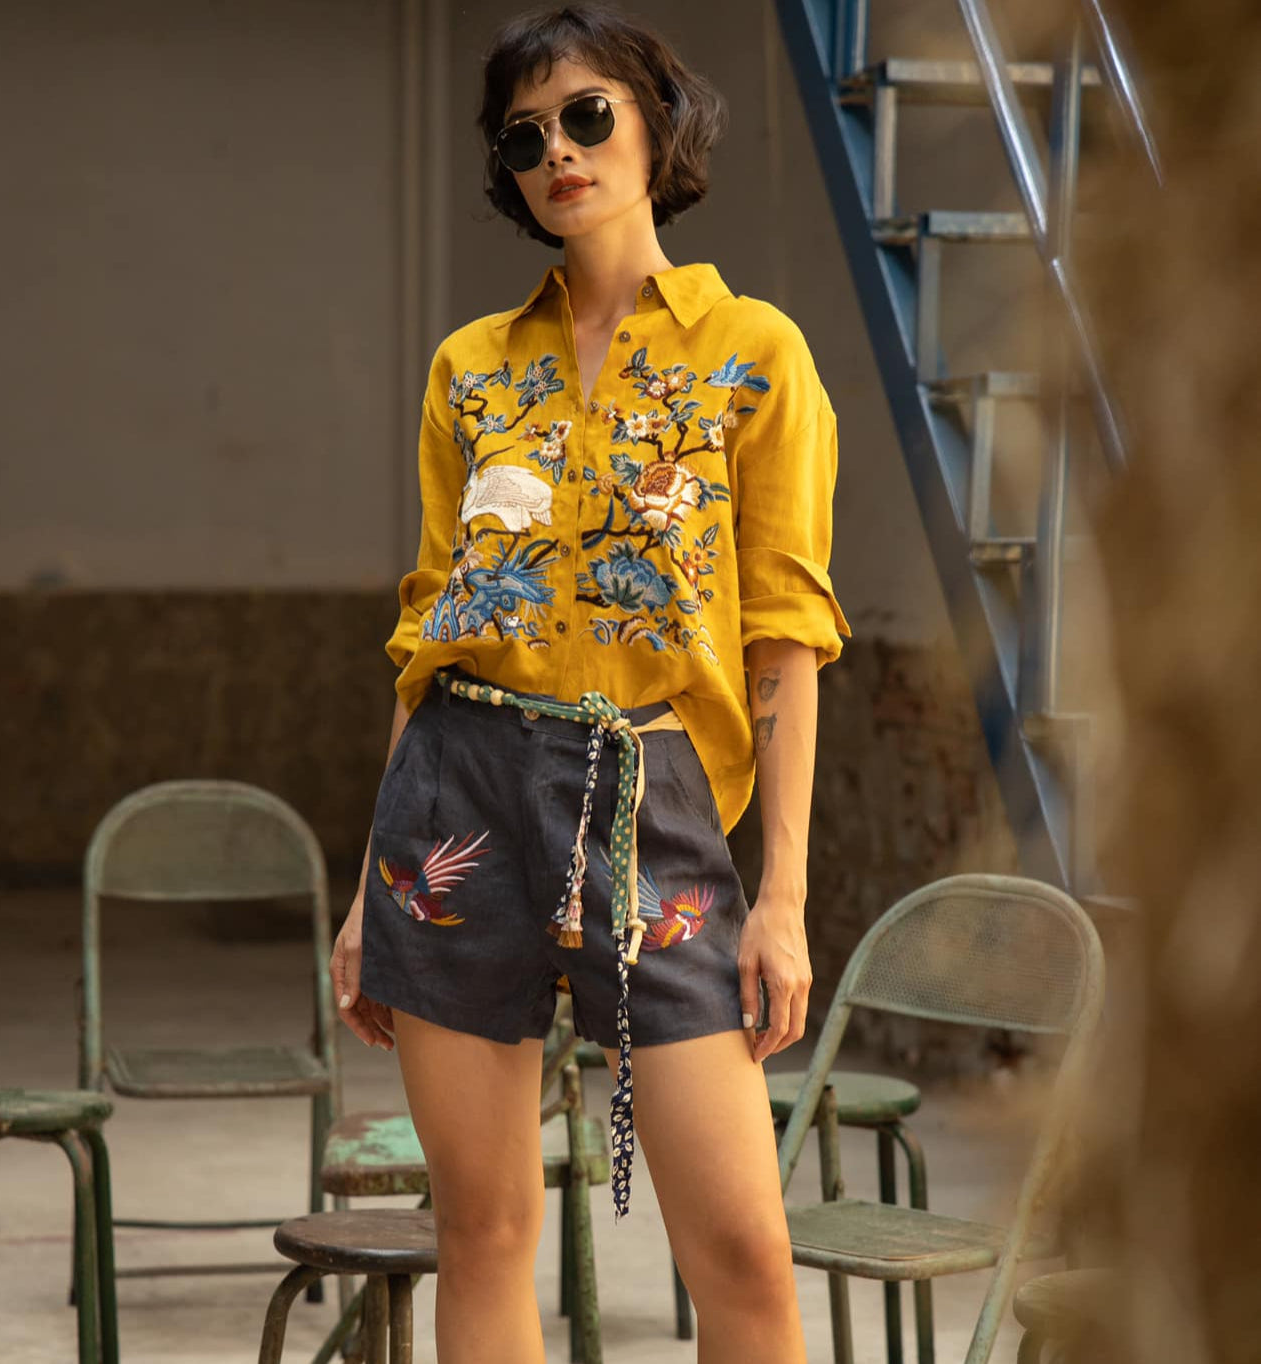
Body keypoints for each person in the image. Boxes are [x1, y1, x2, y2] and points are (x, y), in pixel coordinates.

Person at [330, 6, 849, 1360]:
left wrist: (782, 898)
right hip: (458, 795)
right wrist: (360, 897)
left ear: (654, 124)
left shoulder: (754, 356)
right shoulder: (471, 373)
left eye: (586, 115)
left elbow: (785, 638)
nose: (556, 150)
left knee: (741, 1247)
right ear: (505, 175)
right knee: (484, 1231)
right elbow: (430, 634)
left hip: (653, 795)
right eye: (523, 137)